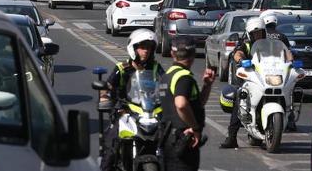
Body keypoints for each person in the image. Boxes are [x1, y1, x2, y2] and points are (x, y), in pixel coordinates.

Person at [99, 29, 164, 171]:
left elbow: (165, 86)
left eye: (148, 47)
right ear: (133, 48)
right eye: (142, 47)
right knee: (111, 146)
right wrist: (105, 97)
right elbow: (108, 86)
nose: (145, 51)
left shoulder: (156, 68)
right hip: (125, 112)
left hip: (150, 111)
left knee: (171, 143)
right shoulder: (122, 69)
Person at [160, 37, 215, 171]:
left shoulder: (167, 75)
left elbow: (197, 103)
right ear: (193, 54)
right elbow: (181, 104)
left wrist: (207, 85)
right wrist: (195, 128)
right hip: (182, 139)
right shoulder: (184, 77)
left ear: (173, 54)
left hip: (167, 138)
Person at [220, 17, 268, 148]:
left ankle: (289, 119)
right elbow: (237, 53)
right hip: (249, 80)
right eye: (255, 33)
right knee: (239, 98)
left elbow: (282, 53)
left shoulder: (270, 44)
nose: (258, 36)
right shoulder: (245, 43)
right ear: (249, 34)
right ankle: (231, 137)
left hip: (267, 80)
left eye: (260, 33)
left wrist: (289, 58)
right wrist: (240, 60)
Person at [260, 11, 296, 131]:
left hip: (264, 69)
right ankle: (291, 119)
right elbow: (288, 53)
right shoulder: (282, 36)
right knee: (289, 92)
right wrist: (291, 63)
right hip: (279, 69)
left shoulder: (261, 35)